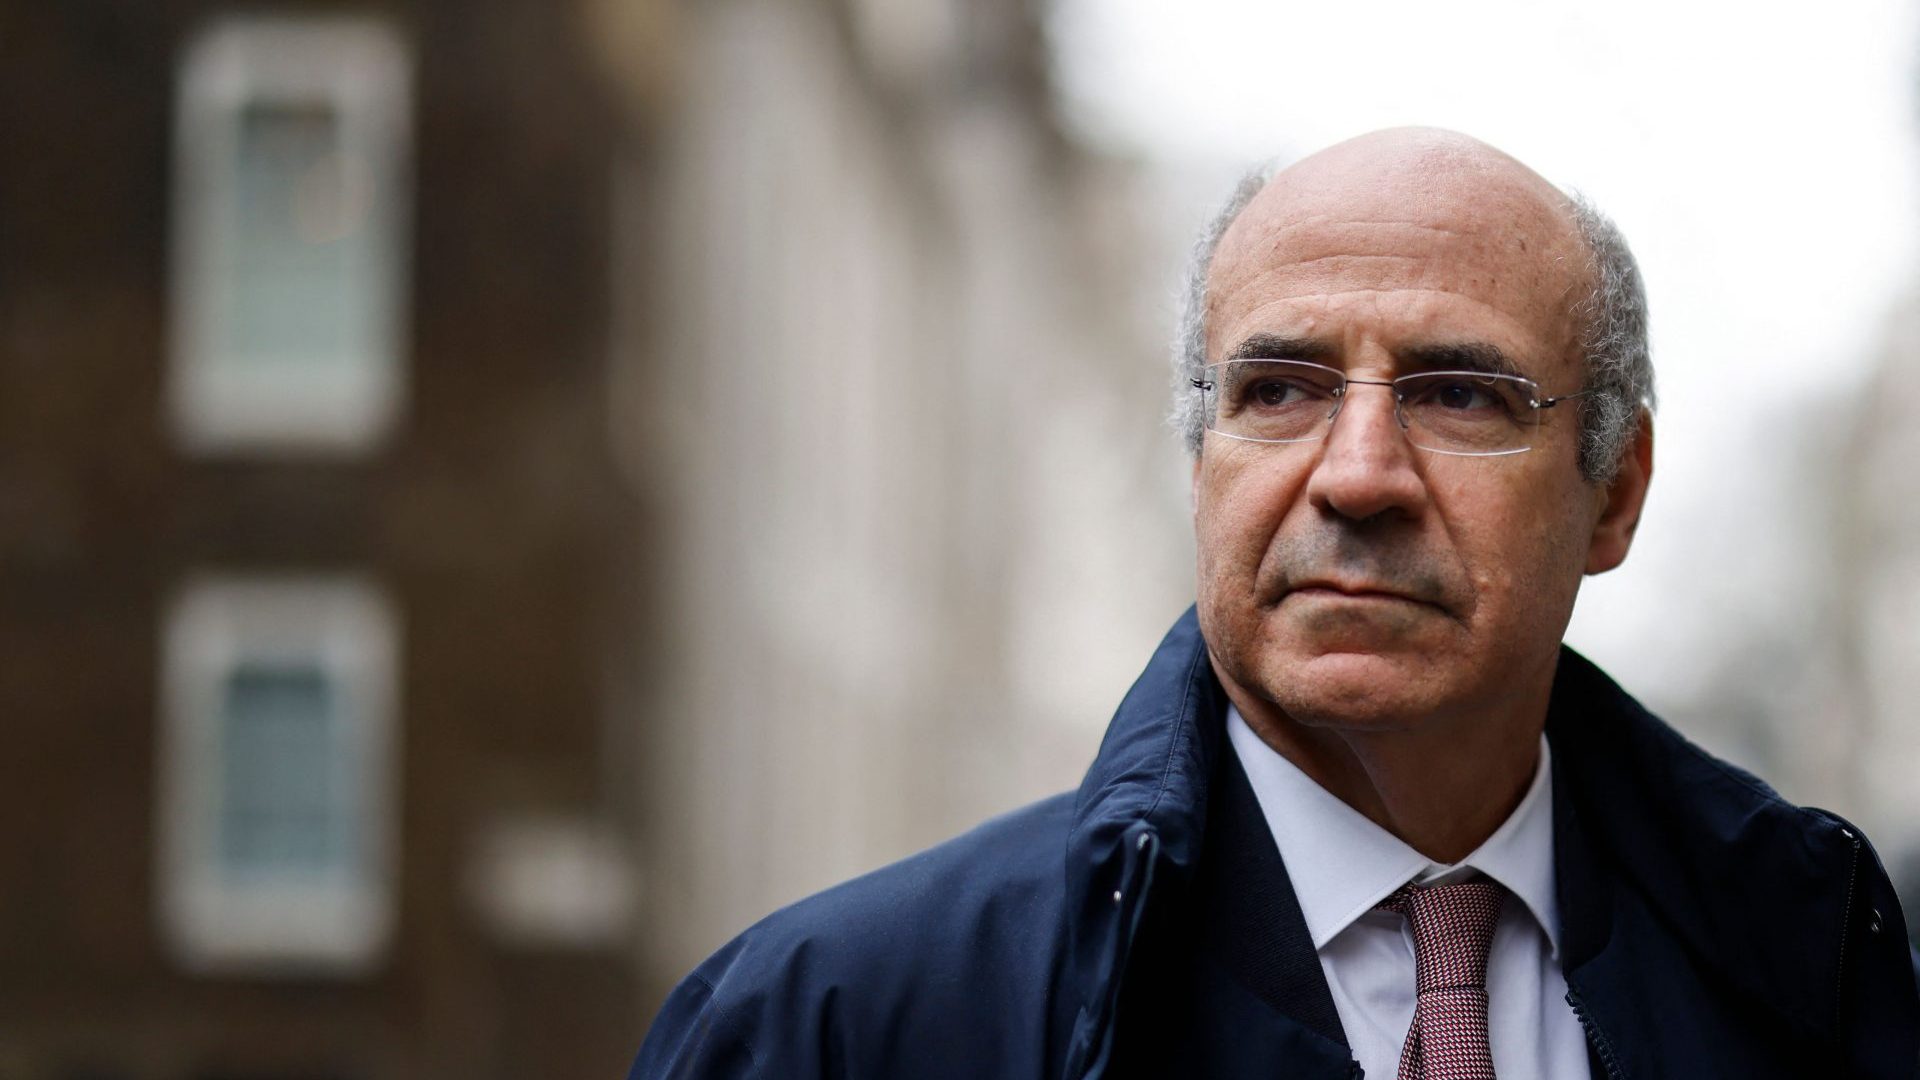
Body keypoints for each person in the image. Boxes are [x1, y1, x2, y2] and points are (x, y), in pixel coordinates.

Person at [627, 128, 1920, 1079]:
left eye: (1459, 394)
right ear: (1201, 464)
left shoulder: (1816, 990)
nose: (1356, 475)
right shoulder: (838, 1025)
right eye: (1280, 390)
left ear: (1615, 495)